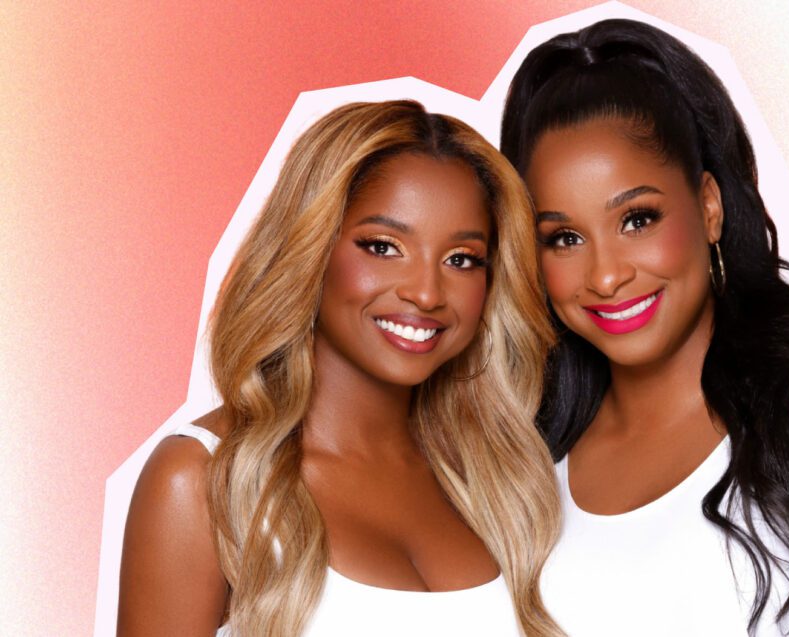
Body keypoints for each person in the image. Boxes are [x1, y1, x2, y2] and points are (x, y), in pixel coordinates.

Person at [501, 18, 789, 636]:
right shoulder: (525, 469)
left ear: (709, 205)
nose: (604, 277)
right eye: (565, 238)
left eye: (637, 219)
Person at [119, 100, 565, 637]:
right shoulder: (203, 480)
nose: (426, 292)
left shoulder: (497, 478)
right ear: (311, 248)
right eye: (383, 246)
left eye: (461, 259)